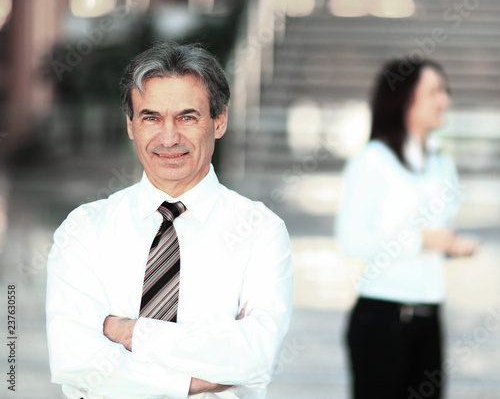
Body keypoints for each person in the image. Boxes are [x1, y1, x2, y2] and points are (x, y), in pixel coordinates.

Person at [46, 42, 294, 399]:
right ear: (131, 125)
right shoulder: (84, 229)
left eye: (187, 117)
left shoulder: (261, 232)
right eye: (151, 117)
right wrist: (189, 382)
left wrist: (129, 333)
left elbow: (255, 357)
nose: (168, 138)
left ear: (219, 120)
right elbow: (75, 360)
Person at [335, 57, 478, 399]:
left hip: (430, 315)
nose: (444, 100)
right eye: (435, 92)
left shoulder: (442, 165)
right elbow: (351, 241)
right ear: (405, 98)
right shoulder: (373, 160)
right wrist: (421, 240)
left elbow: (436, 238)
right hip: (382, 317)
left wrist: (451, 246)